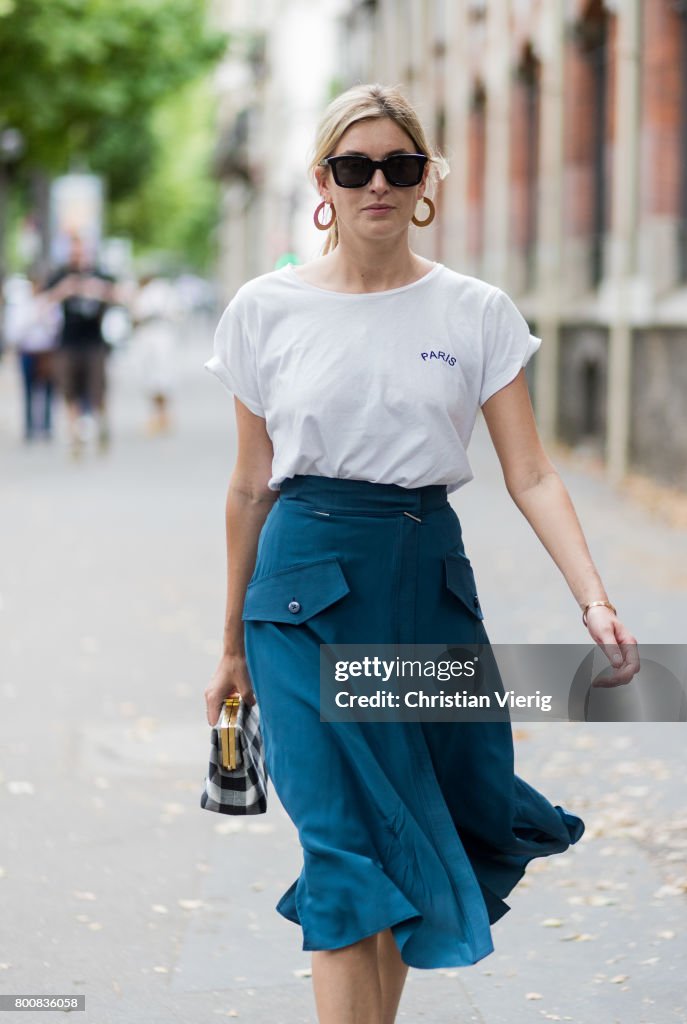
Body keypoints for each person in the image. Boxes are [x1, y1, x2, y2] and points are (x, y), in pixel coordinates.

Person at [203, 83, 639, 1024]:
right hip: (298, 597)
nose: (378, 186)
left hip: (423, 587)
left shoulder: (474, 311)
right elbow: (249, 486)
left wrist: (592, 598)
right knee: (340, 844)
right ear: (323, 180)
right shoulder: (263, 310)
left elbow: (531, 475)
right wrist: (230, 646)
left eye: (400, 168)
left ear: (426, 181)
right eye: (354, 168)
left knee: (407, 828)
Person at [45, 235, 117, 456]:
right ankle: (74, 433)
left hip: (94, 342)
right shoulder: (61, 275)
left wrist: (99, 290)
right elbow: (44, 301)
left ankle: (101, 424)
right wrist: (65, 290)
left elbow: (120, 296)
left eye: (82, 252)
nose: (78, 257)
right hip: (68, 341)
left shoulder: (100, 274)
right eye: (74, 252)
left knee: (97, 389)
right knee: (70, 390)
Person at [4, 275, 60, 441]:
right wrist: (33, 317)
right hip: (28, 351)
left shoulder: (51, 303)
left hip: (46, 352)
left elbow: (56, 328)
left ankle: (47, 426)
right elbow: (14, 332)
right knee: (28, 391)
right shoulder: (21, 306)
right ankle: (29, 427)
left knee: (48, 391)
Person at [130, 272, 180, 436]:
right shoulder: (165, 292)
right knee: (160, 378)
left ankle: (160, 417)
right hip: (162, 338)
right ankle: (162, 417)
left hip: (152, 339)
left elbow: (136, 317)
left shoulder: (145, 295)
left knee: (155, 379)